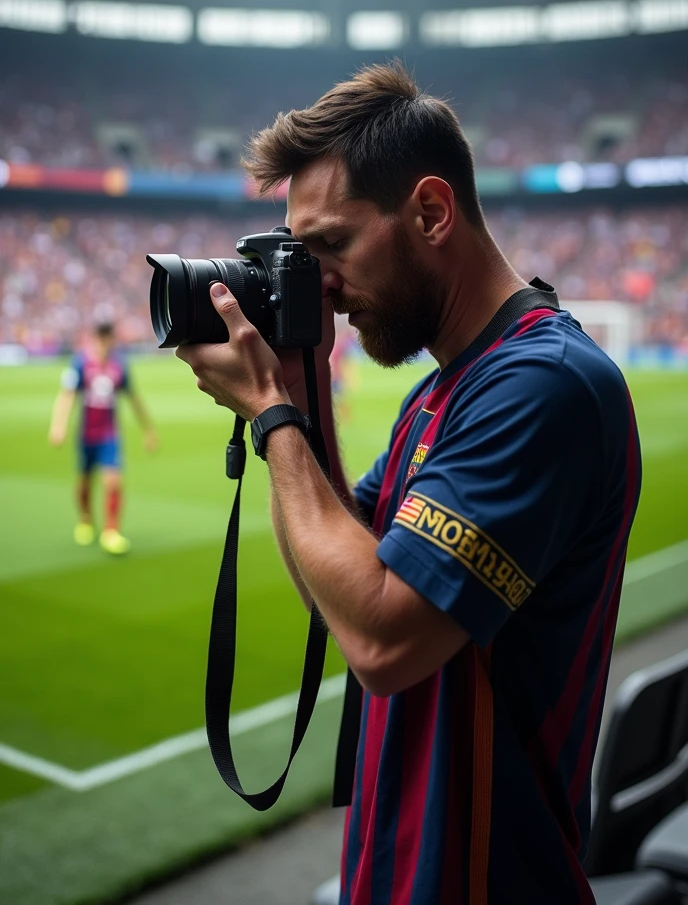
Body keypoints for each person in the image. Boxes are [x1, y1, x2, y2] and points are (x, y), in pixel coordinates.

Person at [177, 63, 641, 904]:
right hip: (396, 873)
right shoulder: (441, 393)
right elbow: (341, 587)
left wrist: (272, 414)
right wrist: (300, 388)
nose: (316, 281)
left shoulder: (545, 384)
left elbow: (385, 643)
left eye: (331, 245)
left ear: (430, 211)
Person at [48, 321, 157, 555]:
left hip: (110, 435)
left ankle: (111, 530)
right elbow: (67, 396)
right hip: (87, 434)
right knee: (85, 481)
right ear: (96, 339)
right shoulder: (80, 362)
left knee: (113, 482)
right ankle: (86, 518)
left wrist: (148, 429)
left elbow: (133, 398)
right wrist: (58, 425)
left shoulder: (119, 366)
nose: (106, 345)